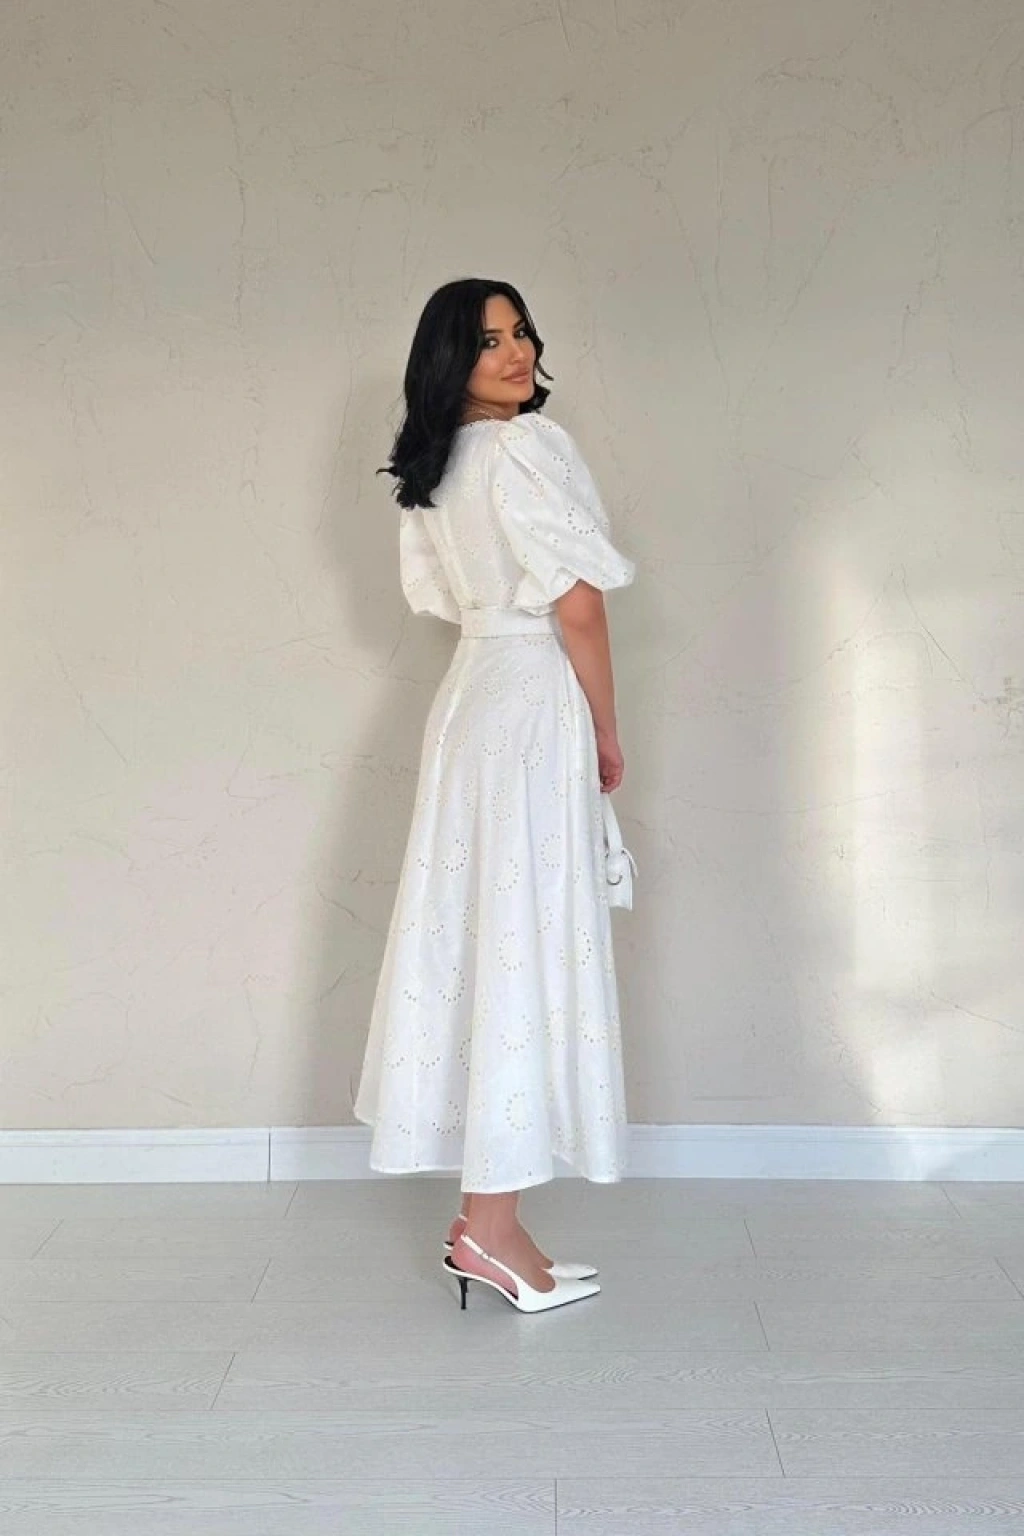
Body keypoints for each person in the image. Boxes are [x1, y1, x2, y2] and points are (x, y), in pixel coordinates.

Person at [353, 278, 636, 1313]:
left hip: (472, 699)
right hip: (529, 699)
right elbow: (579, 606)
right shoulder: (526, 448)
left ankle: (488, 1223)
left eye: (521, 333)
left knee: (482, 937)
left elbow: (439, 596)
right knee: (522, 939)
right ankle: (491, 1229)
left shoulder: (437, 466)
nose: (515, 353)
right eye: (487, 341)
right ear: (450, 360)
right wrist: (605, 728)